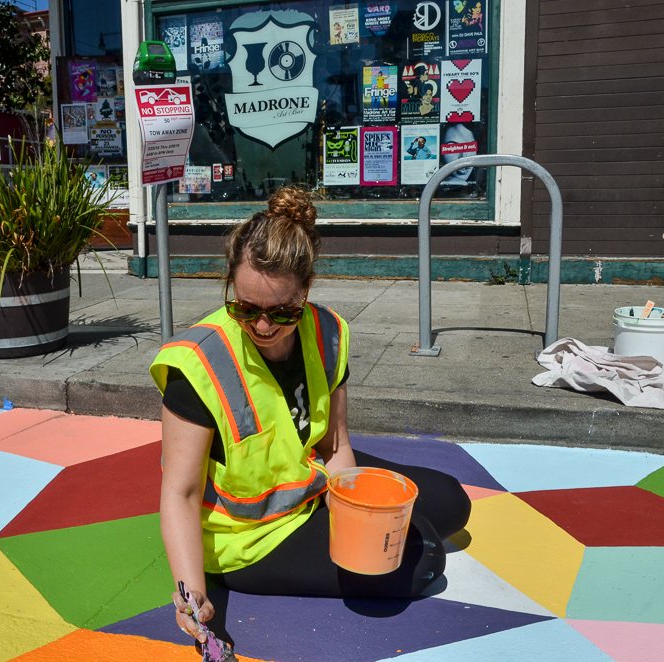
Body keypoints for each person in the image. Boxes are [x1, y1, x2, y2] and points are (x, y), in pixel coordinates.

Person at [150, 187, 471, 648]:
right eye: (244, 308)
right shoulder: (197, 366)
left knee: (449, 501)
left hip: (313, 484)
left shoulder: (328, 332)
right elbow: (179, 494)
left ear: (307, 289)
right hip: (249, 540)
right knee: (421, 560)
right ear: (230, 286)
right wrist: (192, 592)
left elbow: (335, 447)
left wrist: (354, 516)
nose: (262, 327)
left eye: (282, 311)